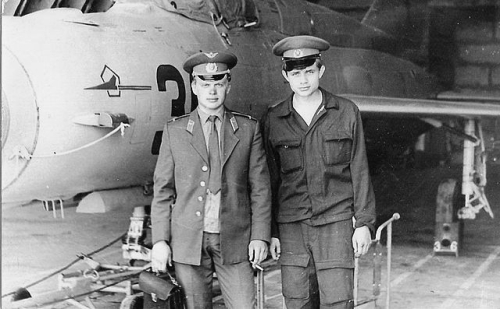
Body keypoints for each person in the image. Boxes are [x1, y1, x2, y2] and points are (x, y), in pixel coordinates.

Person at [261, 35, 376, 309]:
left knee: (338, 302)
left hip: (335, 222)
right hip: (292, 226)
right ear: (285, 75)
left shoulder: (346, 112)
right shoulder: (274, 120)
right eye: (296, 73)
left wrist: (364, 223)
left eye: (310, 71)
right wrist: (272, 231)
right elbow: (269, 180)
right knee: (297, 302)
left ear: (321, 71)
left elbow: (359, 169)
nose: (303, 80)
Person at [150, 51, 272, 309]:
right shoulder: (175, 131)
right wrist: (160, 240)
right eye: (205, 84)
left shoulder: (248, 129)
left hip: (235, 238)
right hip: (188, 241)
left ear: (228, 84)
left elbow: (260, 188)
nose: (212, 91)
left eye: (218, 83)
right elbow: (162, 191)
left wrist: (260, 236)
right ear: (194, 86)